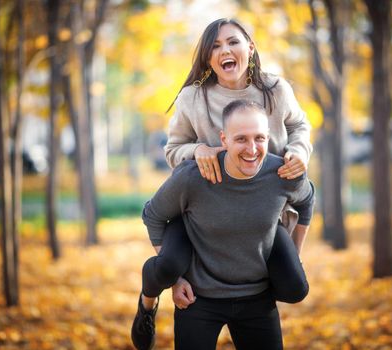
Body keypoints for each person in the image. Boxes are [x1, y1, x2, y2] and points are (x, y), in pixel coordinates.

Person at [131, 18, 313, 350]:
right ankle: (147, 299)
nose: (224, 50)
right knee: (170, 266)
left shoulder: (275, 91)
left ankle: (252, 309)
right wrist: (197, 150)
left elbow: (300, 126)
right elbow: (173, 150)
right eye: (215, 46)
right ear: (207, 58)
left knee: (295, 286)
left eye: (232, 42)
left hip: (261, 206)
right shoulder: (194, 98)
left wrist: (298, 152)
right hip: (204, 203)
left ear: (251, 49)